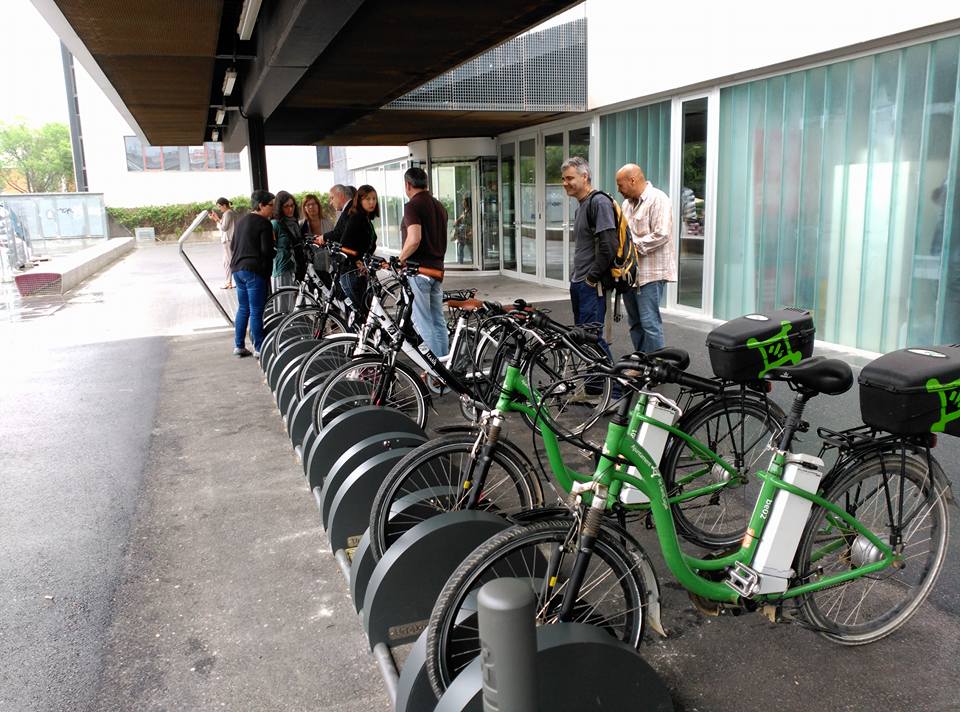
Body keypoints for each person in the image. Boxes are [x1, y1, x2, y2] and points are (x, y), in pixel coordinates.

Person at [615, 163, 677, 353]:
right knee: (634, 323)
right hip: (630, 275)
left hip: (651, 274)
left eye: (620, 185)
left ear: (632, 180)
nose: (619, 190)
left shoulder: (658, 199)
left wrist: (630, 248)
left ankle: (657, 368)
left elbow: (662, 234)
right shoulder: (626, 204)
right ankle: (643, 363)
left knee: (650, 323)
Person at [563, 156, 616, 361]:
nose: (565, 183)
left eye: (569, 178)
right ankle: (595, 387)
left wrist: (592, 278)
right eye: (563, 178)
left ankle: (616, 389)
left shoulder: (599, 202)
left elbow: (609, 246)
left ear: (584, 176)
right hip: (580, 282)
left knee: (592, 338)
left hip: (592, 286)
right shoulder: (581, 206)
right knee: (583, 338)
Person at [399, 166, 449, 358]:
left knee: (423, 321)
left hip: (419, 272)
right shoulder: (439, 205)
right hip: (437, 272)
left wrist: (400, 259)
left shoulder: (412, 205)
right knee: (438, 320)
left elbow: (414, 238)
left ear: (408, 185)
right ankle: (443, 365)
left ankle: (434, 371)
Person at [230, 189, 276, 358]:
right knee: (257, 310)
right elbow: (266, 250)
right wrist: (274, 252)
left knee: (243, 308)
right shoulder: (264, 223)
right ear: (260, 205)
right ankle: (259, 348)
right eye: (270, 205)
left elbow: (232, 246)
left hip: (237, 270)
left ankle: (239, 345)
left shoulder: (241, 221)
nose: (273, 209)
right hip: (254, 271)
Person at [338, 184, 380, 311]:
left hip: (360, 273)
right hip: (351, 272)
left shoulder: (366, 218)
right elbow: (344, 244)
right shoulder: (356, 217)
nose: (372, 202)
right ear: (360, 200)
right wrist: (357, 260)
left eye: (374, 198)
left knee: (363, 312)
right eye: (367, 199)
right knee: (361, 312)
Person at [271, 191, 302, 312]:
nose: (290, 209)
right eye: (286, 206)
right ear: (279, 207)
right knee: (282, 305)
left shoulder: (294, 222)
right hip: (282, 266)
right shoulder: (275, 224)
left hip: (294, 266)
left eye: (292, 205)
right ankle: (281, 329)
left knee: (291, 303)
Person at [300, 193, 334, 273]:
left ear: (318, 206)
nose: (311, 207)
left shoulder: (328, 223)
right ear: (304, 208)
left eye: (314, 204)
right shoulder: (301, 225)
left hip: (327, 263)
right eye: (308, 205)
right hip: (309, 265)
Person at [209, 197, 236, 289]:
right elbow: (223, 226)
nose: (219, 209)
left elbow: (224, 227)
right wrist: (217, 219)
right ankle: (228, 282)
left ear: (225, 205)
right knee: (226, 262)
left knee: (230, 260)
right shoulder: (228, 213)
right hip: (227, 239)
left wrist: (217, 219)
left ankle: (234, 281)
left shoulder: (228, 213)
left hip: (228, 240)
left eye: (220, 206)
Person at [453, 195, 472, 264]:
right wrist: (457, 221)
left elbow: (473, 223)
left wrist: (471, 232)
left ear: (467, 203)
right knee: (460, 248)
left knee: (470, 249)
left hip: (468, 233)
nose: (462, 202)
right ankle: (460, 263)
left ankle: (474, 262)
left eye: (463, 201)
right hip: (463, 233)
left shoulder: (470, 212)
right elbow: (461, 217)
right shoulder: (465, 211)